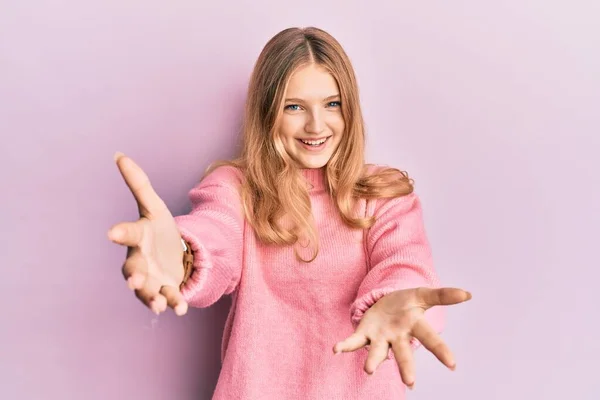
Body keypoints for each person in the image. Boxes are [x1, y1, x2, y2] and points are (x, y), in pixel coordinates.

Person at [108, 26, 471, 400]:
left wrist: (397, 298)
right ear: (267, 113)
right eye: (294, 106)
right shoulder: (235, 188)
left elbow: (404, 264)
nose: (316, 125)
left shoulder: (383, 193)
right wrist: (181, 255)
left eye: (332, 104)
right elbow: (215, 235)